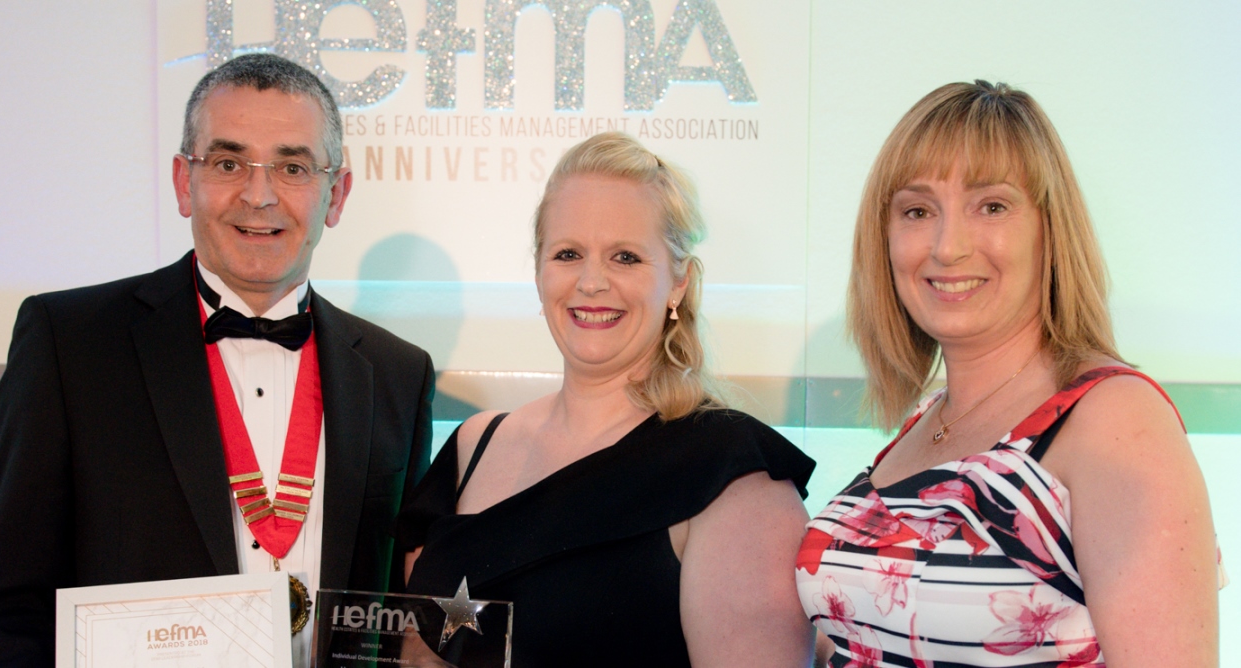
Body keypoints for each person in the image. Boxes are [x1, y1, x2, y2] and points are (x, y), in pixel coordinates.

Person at [0, 53, 434, 665]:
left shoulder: (398, 375)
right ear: (185, 182)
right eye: (229, 162)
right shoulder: (70, 343)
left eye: (292, 166)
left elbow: (395, 615)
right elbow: (7, 613)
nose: (259, 197)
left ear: (335, 195)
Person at [796, 81, 1225, 666]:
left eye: (991, 206)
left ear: (1050, 232)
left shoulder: (1114, 418)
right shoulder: (928, 418)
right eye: (918, 211)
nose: (948, 247)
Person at [396, 132, 816, 667]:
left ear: (678, 283)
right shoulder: (474, 445)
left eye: (626, 257)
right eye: (568, 253)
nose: (592, 282)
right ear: (539, 271)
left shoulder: (732, 473)